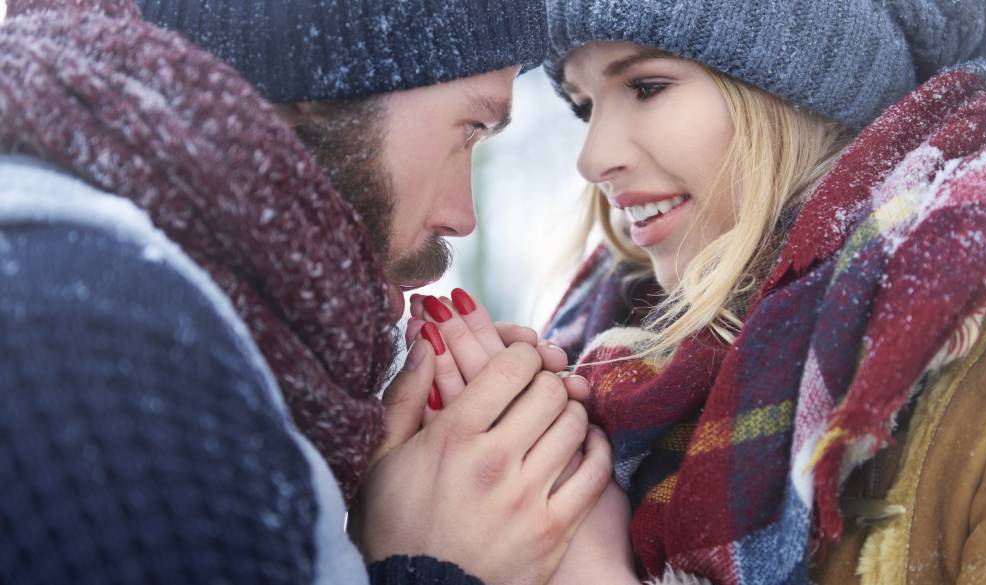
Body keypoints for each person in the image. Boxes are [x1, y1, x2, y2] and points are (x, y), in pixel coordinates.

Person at [0, 1, 611, 584]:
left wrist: (409, 515)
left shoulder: (136, 314)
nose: (462, 218)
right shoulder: (87, 350)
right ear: (319, 74)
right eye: (470, 128)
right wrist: (434, 564)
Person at [414, 1, 986, 584]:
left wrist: (580, 569)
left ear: (801, 87)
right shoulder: (602, 351)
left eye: (647, 87)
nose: (592, 158)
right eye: (583, 107)